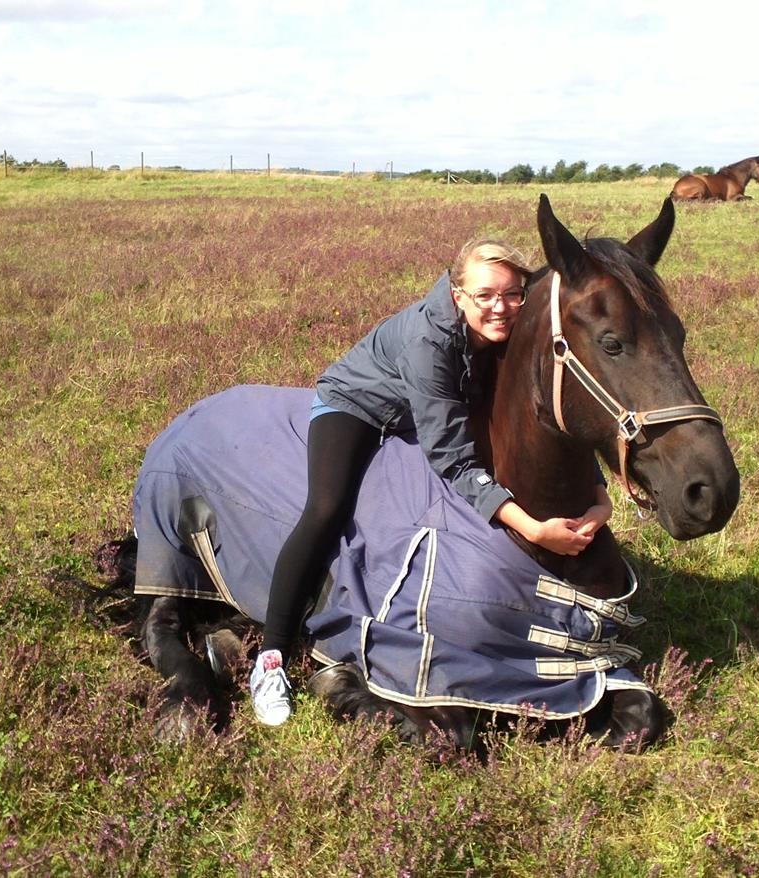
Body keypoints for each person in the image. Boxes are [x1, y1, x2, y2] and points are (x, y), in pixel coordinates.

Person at [249, 238, 614, 725]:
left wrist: (597, 490)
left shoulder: (508, 333)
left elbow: (544, 417)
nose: (500, 307)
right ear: (457, 293)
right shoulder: (430, 339)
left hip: (423, 413)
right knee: (326, 509)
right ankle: (271, 659)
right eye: (485, 295)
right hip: (358, 407)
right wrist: (529, 527)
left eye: (512, 294)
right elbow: (449, 452)